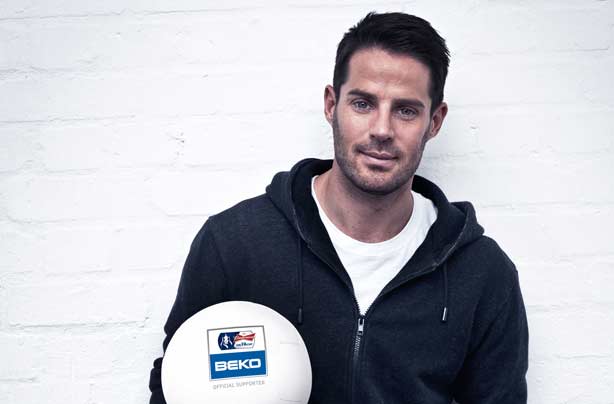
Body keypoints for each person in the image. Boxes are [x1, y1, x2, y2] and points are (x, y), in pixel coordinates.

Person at [148, 11, 529, 404]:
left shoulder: (483, 273)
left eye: (406, 110)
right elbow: (174, 386)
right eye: (363, 104)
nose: (382, 130)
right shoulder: (235, 245)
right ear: (331, 105)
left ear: (434, 121)